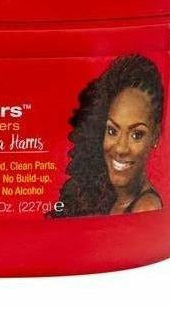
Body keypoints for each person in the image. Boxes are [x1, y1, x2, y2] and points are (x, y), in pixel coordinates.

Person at [51, 54, 163, 217]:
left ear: (155, 135)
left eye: (136, 134)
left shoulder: (146, 208)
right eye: (112, 131)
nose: (121, 148)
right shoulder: (105, 196)